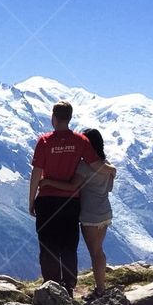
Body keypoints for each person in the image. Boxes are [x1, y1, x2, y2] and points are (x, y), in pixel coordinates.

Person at [28, 103, 114, 295]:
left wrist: (31, 200)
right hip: (70, 202)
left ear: (54, 117)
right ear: (70, 118)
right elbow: (96, 164)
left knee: (48, 244)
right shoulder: (80, 141)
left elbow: (36, 173)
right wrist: (112, 170)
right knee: (68, 244)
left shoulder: (44, 141)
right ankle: (68, 286)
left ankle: (51, 287)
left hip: (47, 200)